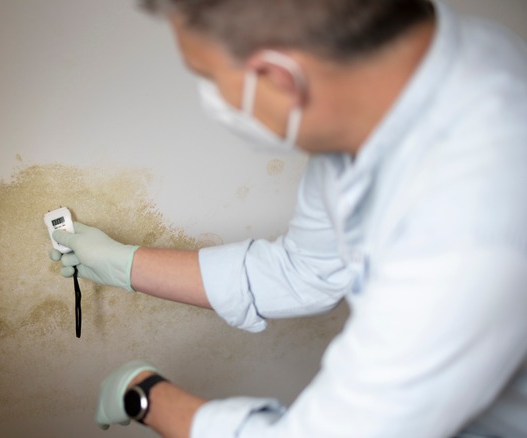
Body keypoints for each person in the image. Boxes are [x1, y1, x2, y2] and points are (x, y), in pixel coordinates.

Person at [49, 0, 527, 436]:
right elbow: (304, 270)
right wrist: (121, 262)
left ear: (279, 77)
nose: (211, 97)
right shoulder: (400, 89)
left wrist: (145, 394)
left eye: (208, 75)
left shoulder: (468, 227)